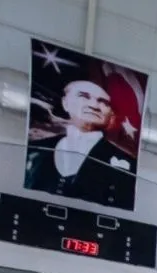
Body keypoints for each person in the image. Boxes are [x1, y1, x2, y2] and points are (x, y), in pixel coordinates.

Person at [24, 73, 138, 210]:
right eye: (83, 96)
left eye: (104, 102)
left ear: (111, 114)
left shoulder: (130, 167)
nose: (94, 105)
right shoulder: (33, 150)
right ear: (65, 103)